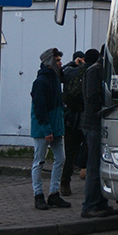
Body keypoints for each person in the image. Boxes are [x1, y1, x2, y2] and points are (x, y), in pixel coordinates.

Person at [81, 47, 118, 219]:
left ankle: (101, 203)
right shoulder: (94, 71)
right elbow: (92, 98)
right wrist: (106, 108)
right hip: (94, 124)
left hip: (101, 123)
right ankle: (89, 205)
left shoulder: (104, 71)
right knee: (94, 166)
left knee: (102, 165)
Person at [30, 47, 71, 210]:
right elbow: (40, 109)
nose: (60, 63)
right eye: (57, 60)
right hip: (44, 129)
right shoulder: (41, 82)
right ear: (49, 62)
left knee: (60, 159)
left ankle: (54, 194)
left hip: (56, 127)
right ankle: (38, 195)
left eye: (60, 60)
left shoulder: (54, 78)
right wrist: (47, 130)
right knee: (39, 161)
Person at [59, 51, 86, 195]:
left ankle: (65, 184)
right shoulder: (87, 72)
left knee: (70, 154)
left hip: (70, 119)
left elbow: (59, 73)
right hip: (84, 118)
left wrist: (71, 64)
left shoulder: (68, 72)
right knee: (89, 151)